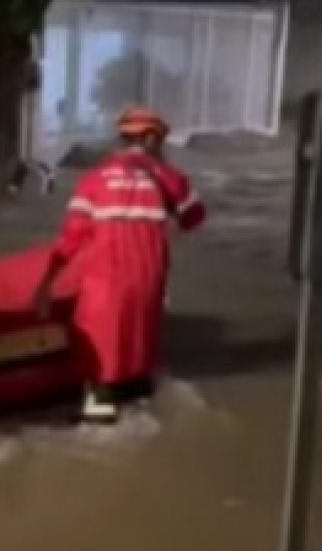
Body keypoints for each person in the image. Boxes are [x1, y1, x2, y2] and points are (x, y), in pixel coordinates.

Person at [32, 108, 206, 424]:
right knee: (139, 373)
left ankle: (98, 412)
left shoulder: (93, 180)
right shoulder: (167, 178)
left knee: (100, 378)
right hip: (148, 287)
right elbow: (195, 216)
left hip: (102, 291)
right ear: (151, 138)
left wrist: (46, 284)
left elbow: (69, 241)